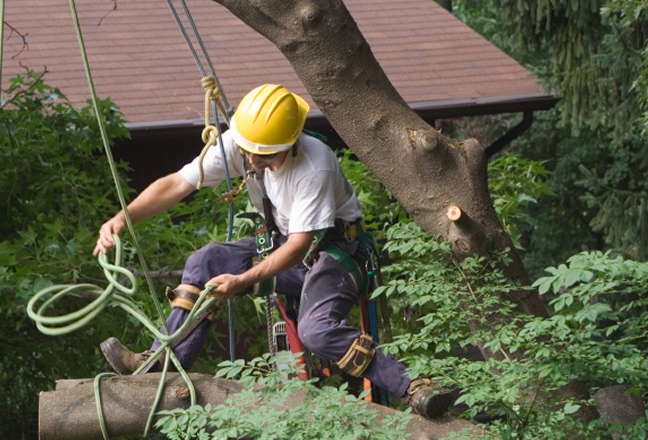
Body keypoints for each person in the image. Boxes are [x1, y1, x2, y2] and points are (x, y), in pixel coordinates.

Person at [92, 84, 452, 418]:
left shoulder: (315, 166)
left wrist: (242, 280)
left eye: (260, 154)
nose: (248, 158)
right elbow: (176, 183)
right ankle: (162, 365)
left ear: (287, 144)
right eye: (246, 150)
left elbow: (299, 248)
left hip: (336, 252)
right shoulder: (245, 142)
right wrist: (123, 218)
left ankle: (412, 387)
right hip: (286, 244)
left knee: (316, 329)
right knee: (205, 261)